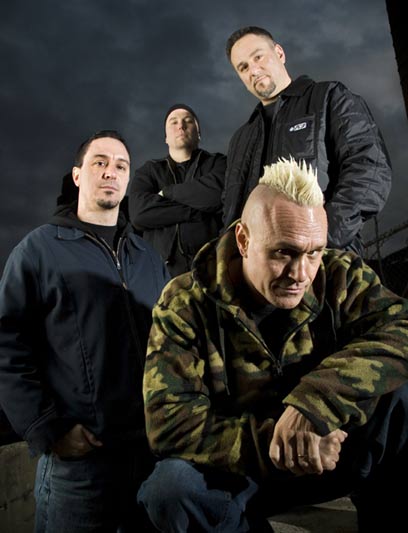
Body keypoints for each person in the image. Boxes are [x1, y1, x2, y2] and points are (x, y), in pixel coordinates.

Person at [137, 158, 408, 532]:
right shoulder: (186, 302)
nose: (300, 274)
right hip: (245, 474)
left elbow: (401, 328)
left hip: (332, 453)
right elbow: (168, 422)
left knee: (402, 396)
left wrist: (316, 400)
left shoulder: (340, 275)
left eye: (313, 252)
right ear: (244, 241)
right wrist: (277, 444)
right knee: (169, 488)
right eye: (283, 252)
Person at [0, 130, 170, 532]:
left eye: (121, 166)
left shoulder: (148, 258)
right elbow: (7, 345)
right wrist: (46, 427)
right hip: (79, 466)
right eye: (100, 162)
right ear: (77, 176)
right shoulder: (38, 251)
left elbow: (171, 342)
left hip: (149, 458)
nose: (111, 172)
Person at [222, 26, 392, 255]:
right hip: (255, 266)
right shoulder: (240, 138)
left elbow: (369, 168)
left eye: (258, 57)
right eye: (243, 67)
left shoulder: (329, 97)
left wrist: (322, 239)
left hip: (324, 257)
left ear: (279, 53)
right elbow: (230, 207)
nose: (253, 70)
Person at [129, 104, 226, 277]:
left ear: (198, 134)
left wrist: (167, 193)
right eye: (173, 122)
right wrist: (199, 211)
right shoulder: (149, 171)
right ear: (166, 137)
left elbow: (218, 195)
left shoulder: (218, 163)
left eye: (188, 121)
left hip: (211, 270)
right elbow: (139, 214)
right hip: (161, 274)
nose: (181, 125)